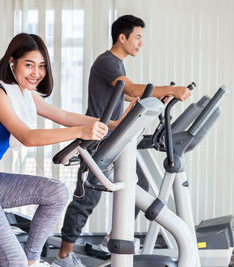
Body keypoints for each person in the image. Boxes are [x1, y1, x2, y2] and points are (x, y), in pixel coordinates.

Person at [0, 33, 135, 267]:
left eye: (42, 66)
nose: (36, 73)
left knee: (57, 193)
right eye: (29, 65)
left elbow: (63, 116)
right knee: (13, 260)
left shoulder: (24, 94)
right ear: (12, 62)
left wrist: (113, 124)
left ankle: (32, 259)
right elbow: (27, 137)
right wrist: (80, 132)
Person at [52, 15, 192, 267]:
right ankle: (63, 256)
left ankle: (112, 240)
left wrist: (159, 99)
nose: (141, 43)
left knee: (139, 188)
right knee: (86, 197)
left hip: (115, 140)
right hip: (97, 138)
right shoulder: (108, 62)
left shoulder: (116, 65)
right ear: (122, 37)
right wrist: (171, 89)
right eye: (138, 37)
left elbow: (126, 98)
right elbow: (129, 90)